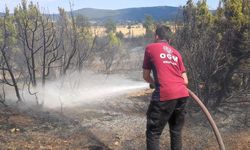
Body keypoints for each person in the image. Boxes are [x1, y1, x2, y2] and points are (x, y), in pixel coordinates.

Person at [142, 25, 189, 150]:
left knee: (153, 133)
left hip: (164, 95)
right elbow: (185, 80)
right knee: (176, 132)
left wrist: (154, 83)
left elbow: (146, 76)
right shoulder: (176, 53)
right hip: (182, 95)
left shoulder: (150, 48)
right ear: (170, 40)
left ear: (156, 36)